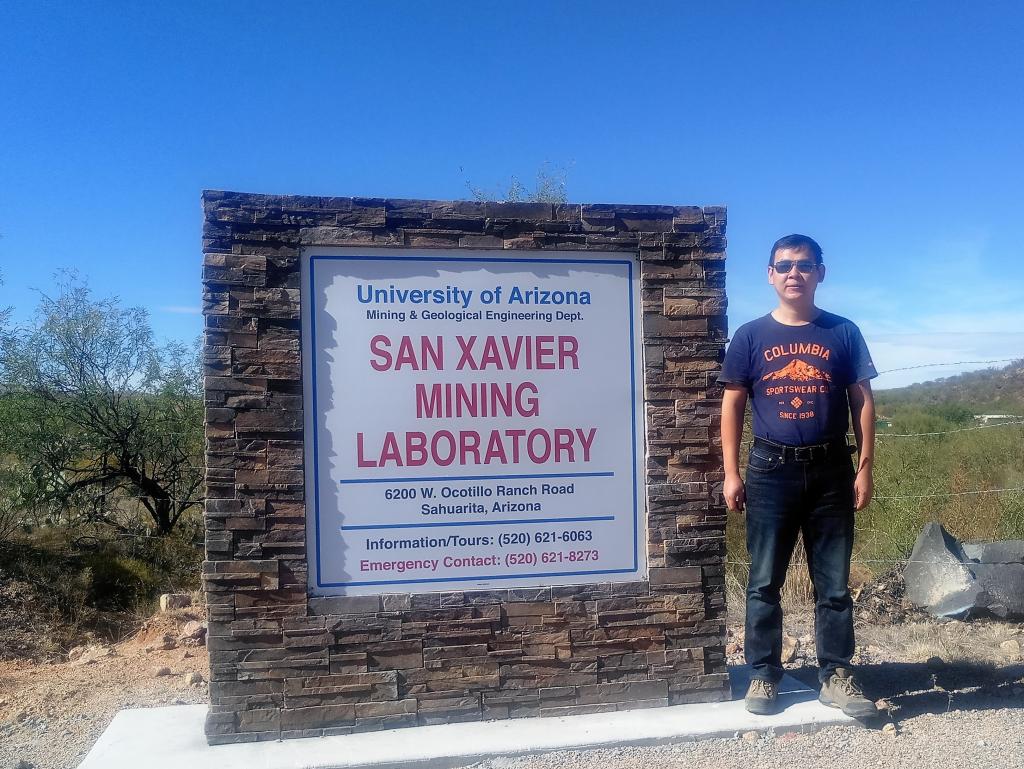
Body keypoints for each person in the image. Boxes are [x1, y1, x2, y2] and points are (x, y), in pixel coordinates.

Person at [718, 234, 879, 719]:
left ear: (819, 273)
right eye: (785, 265)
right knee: (764, 581)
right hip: (770, 470)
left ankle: (836, 674)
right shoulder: (750, 336)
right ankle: (763, 674)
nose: (795, 273)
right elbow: (733, 404)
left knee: (833, 585)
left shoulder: (843, 331)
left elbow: (862, 401)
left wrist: (866, 467)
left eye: (805, 265)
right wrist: (731, 472)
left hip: (832, 470)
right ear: (770, 275)